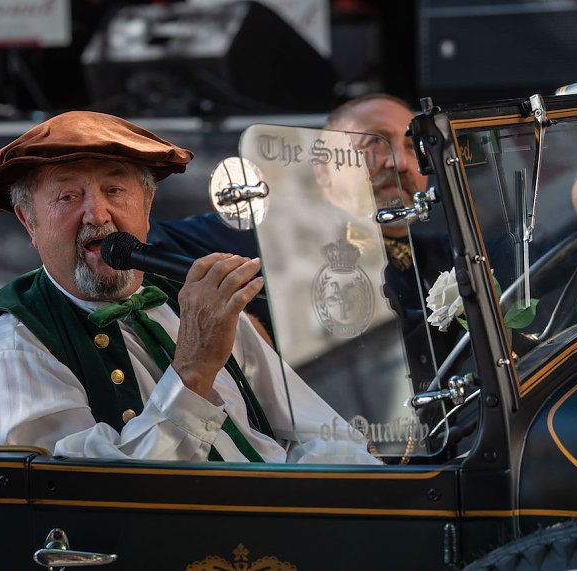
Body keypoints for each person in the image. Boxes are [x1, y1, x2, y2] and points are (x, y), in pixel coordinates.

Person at [0, 111, 379, 464]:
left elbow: (320, 433)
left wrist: (377, 502)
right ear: (29, 222)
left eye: (115, 189)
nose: (98, 215)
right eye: (67, 198)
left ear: (147, 205)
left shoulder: (187, 301)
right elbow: (96, 501)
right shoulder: (9, 351)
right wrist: (193, 369)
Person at [149, 94, 456, 389]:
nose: (400, 162)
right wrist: (243, 327)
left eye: (411, 145)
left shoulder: (453, 254)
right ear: (324, 168)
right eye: (375, 144)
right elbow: (144, 248)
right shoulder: (268, 241)